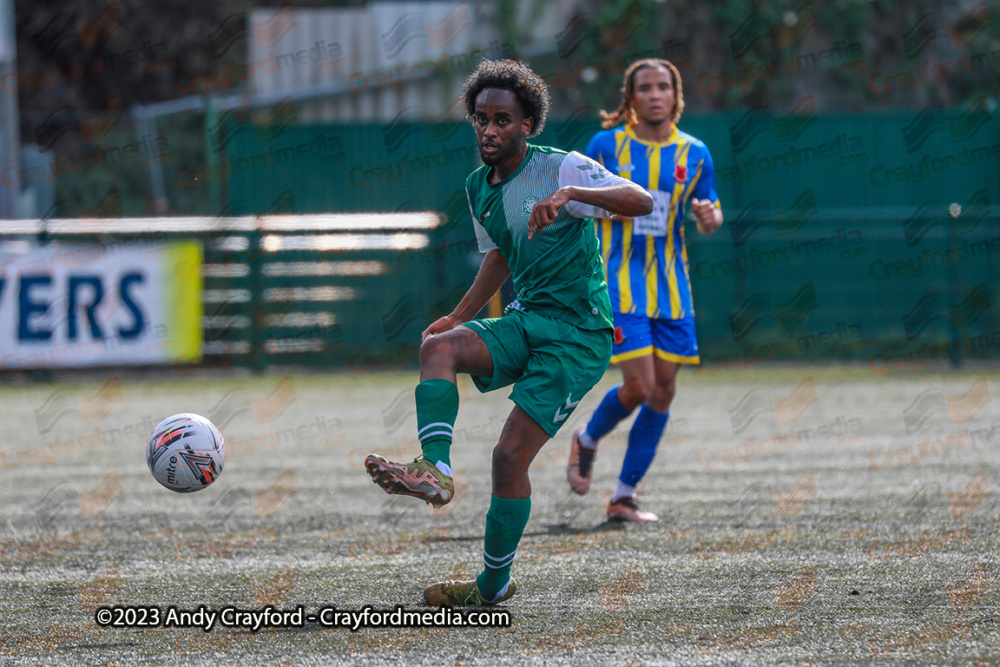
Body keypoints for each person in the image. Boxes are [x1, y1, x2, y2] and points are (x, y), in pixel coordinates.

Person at [364, 59, 653, 606]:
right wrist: (458, 314)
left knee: (507, 457)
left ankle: (491, 585)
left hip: (577, 337)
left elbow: (642, 200)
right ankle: (436, 470)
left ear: (527, 125)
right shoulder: (479, 188)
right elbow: (499, 254)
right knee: (438, 347)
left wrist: (573, 196)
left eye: (502, 120)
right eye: (481, 119)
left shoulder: (563, 166)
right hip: (528, 318)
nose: (489, 130)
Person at [567, 58, 723, 522]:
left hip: (673, 287)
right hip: (618, 285)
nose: (655, 95)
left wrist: (711, 218)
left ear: (676, 96)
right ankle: (587, 438)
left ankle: (623, 496)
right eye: (645, 88)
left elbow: (711, 209)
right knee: (640, 385)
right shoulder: (606, 145)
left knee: (664, 391)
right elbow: (575, 197)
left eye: (663, 87)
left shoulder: (696, 152)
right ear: (630, 98)